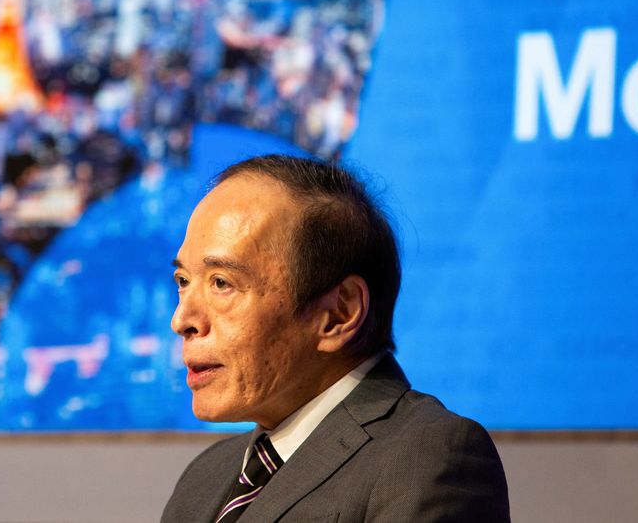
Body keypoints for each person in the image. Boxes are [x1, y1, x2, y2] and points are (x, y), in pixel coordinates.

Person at [161, 154, 510, 522]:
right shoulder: (205, 477)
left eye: (222, 283)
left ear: (339, 313)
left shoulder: (428, 458)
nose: (182, 319)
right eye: (183, 281)